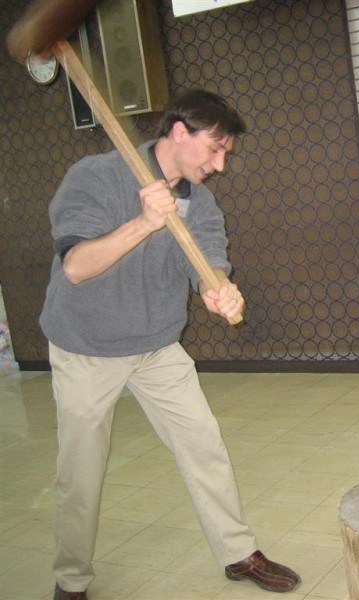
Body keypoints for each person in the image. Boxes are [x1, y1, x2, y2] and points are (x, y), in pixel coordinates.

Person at [39, 89, 301, 599]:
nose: (220, 164)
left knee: (204, 445)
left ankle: (237, 551)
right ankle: (71, 579)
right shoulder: (95, 177)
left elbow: (207, 262)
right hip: (86, 346)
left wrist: (217, 291)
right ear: (180, 132)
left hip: (157, 345)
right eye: (215, 149)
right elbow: (76, 267)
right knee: (81, 470)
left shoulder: (198, 202)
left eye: (226, 153)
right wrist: (145, 222)